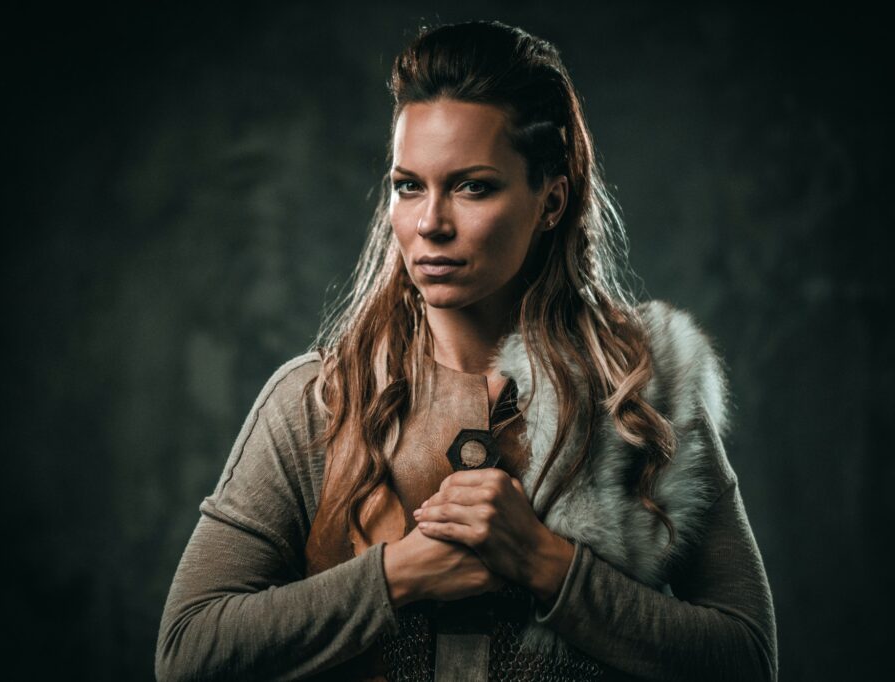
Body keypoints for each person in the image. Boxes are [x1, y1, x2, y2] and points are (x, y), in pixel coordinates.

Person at [155, 19, 778, 682]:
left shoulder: (642, 400)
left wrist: (548, 566)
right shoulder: (317, 402)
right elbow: (188, 652)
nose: (430, 223)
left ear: (550, 201)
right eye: (408, 185)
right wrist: (397, 576)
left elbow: (747, 658)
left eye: (473, 186)